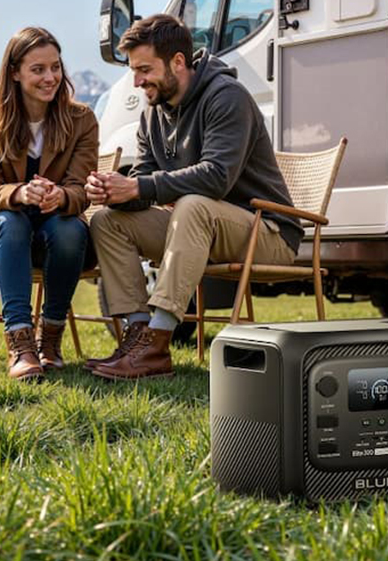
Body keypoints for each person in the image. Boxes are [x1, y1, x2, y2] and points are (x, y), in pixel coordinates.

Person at [84, 14, 303, 381]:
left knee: (193, 204)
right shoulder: (152, 113)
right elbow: (143, 180)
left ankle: (157, 343)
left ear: (178, 62)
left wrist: (140, 187)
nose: (137, 82)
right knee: (107, 220)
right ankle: (138, 335)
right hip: (201, 227)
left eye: (144, 69)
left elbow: (216, 177)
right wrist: (116, 192)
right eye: (133, 71)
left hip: (267, 233)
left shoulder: (227, 97)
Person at [0, 27, 99, 381]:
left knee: (70, 229)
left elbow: (81, 191)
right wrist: (17, 194)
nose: (50, 78)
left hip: (52, 230)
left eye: (56, 67)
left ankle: (49, 338)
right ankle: (20, 344)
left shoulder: (81, 120)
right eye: (38, 70)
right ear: (14, 72)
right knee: (11, 222)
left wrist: (61, 196)